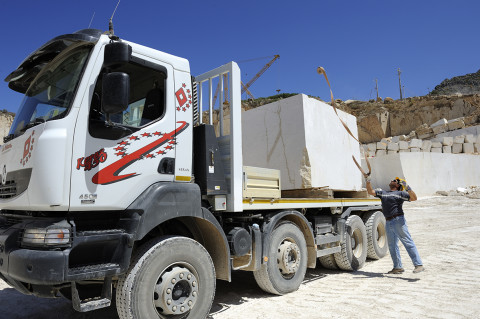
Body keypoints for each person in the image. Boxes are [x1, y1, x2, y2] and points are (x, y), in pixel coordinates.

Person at [365, 175, 425, 274]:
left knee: (407, 242)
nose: (391, 180)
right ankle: (397, 267)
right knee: (392, 245)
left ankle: (418, 265)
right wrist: (368, 181)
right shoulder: (383, 193)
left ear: (397, 185)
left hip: (398, 221)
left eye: (394, 180)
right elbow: (370, 191)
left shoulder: (401, 193)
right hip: (388, 222)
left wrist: (408, 188)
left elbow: (414, 198)